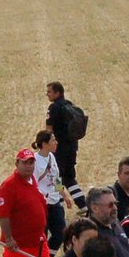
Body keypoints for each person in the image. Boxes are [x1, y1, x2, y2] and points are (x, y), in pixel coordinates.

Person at [45, 82, 86, 211]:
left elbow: (49, 130)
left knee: (57, 178)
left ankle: (59, 205)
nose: (47, 94)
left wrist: (44, 143)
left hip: (59, 149)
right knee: (69, 177)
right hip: (72, 147)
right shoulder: (69, 105)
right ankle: (83, 205)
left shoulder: (54, 108)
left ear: (57, 93)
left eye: (49, 92)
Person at [33, 129, 73, 255]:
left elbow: (56, 179)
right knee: (42, 238)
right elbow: (33, 184)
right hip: (42, 204)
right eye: (53, 140)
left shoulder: (51, 157)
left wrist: (65, 196)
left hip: (55, 202)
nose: (56, 142)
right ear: (44, 144)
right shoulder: (34, 161)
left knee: (61, 233)